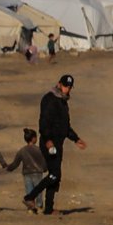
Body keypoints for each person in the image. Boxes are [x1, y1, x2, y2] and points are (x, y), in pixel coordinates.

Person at [37, 73, 86, 215]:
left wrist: (76, 139)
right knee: (54, 174)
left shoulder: (63, 102)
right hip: (50, 144)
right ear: (59, 84)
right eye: (65, 86)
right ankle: (31, 197)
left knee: (55, 175)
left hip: (58, 144)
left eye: (70, 87)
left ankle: (48, 207)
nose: (67, 90)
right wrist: (48, 140)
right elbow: (44, 122)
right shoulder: (49, 99)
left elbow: (65, 126)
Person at [3, 127, 50, 213]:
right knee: (38, 190)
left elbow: (15, 163)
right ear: (34, 138)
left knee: (29, 191)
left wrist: (9, 168)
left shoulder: (22, 151)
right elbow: (44, 161)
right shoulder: (39, 150)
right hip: (37, 173)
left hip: (27, 173)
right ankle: (39, 207)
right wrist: (45, 169)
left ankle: (31, 208)